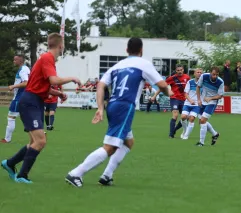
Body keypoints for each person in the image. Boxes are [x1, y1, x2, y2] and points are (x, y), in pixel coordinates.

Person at [65, 37, 171, 187]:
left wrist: (100, 108)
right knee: (111, 146)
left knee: (128, 142)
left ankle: (107, 175)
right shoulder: (144, 64)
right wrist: (168, 92)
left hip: (113, 104)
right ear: (141, 50)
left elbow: (101, 85)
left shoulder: (117, 66)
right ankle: (76, 173)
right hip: (125, 106)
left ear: (127, 50)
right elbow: (162, 84)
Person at [1, 33, 80, 184]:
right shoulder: (47, 58)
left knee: (34, 142)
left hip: (35, 101)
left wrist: (58, 93)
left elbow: (40, 85)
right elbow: (54, 80)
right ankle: (23, 176)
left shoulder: (46, 59)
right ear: (61, 46)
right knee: (40, 141)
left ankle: (10, 164)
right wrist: (72, 78)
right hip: (31, 102)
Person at [151, 64, 190, 138]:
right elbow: (162, 87)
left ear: (183, 70)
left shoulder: (187, 77)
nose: (179, 72)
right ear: (176, 71)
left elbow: (190, 87)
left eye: (181, 70)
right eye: (178, 70)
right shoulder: (172, 78)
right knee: (175, 115)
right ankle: (171, 134)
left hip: (184, 99)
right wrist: (154, 96)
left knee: (185, 117)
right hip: (174, 98)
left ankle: (174, 130)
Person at [2, 55, 30, 143]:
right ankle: (38, 132)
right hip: (25, 96)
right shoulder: (26, 68)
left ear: (20, 61)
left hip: (19, 97)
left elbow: (26, 82)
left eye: (15, 60)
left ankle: (7, 139)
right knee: (24, 116)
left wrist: (13, 86)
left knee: (11, 117)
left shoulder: (23, 70)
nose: (13, 61)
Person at [195, 67, 223, 147]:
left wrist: (210, 98)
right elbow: (198, 87)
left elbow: (220, 96)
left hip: (212, 102)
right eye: (213, 74)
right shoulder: (204, 76)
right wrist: (199, 100)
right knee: (201, 121)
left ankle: (201, 142)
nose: (215, 76)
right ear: (210, 72)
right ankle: (215, 134)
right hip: (203, 101)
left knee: (203, 120)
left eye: (217, 75)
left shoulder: (220, 82)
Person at [180, 68, 202, 140]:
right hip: (188, 103)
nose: (199, 73)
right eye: (197, 72)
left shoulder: (204, 83)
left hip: (196, 105)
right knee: (183, 117)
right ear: (194, 74)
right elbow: (185, 93)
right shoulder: (190, 82)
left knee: (191, 118)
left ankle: (186, 135)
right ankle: (185, 131)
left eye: (200, 72)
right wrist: (190, 100)